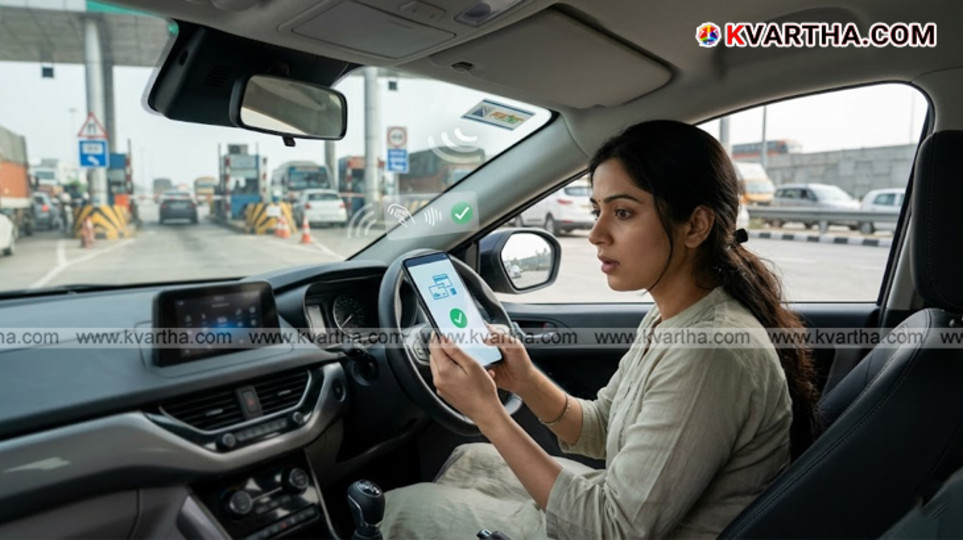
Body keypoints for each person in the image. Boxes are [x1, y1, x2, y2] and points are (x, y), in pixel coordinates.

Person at [381, 120, 820, 539]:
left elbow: (614, 529)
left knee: (399, 509)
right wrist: (525, 380)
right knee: (471, 458)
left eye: (623, 212)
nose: (595, 233)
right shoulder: (672, 317)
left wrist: (486, 412)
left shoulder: (709, 353)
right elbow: (603, 428)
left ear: (696, 226)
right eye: (597, 211)